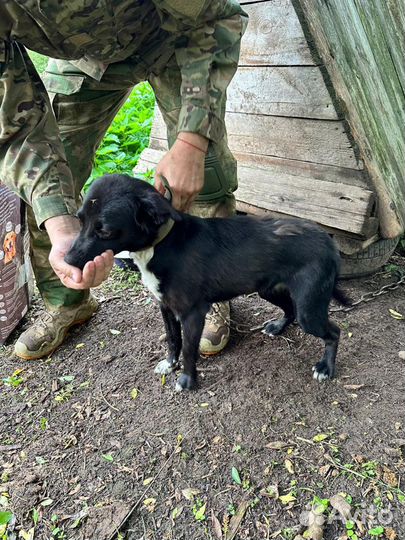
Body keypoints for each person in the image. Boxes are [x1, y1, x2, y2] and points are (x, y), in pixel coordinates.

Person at [0, 1, 248, 360]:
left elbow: (218, 15)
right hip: (82, 59)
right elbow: (14, 121)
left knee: (205, 171)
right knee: (49, 188)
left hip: (172, 37)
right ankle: (68, 302)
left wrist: (193, 141)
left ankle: (207, 290)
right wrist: (60, 224)